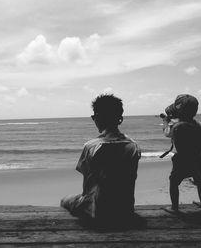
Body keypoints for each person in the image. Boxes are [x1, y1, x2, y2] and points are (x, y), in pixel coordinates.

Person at [60, 94, 141, 227]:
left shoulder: (91, 146)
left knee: (65, 200)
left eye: (94, 117)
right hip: (125, 210)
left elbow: (87, 185)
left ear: (98, 117)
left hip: (97, 211)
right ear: (120, 118)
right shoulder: (133, 146)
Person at [161, 94, 201, 213]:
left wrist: (165, 122)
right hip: (198, 157)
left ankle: (175, 207)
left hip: (181, 159)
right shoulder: (200, 125)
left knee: (174, 181)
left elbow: (167, 133)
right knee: (200, 181)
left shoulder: (175, 126)